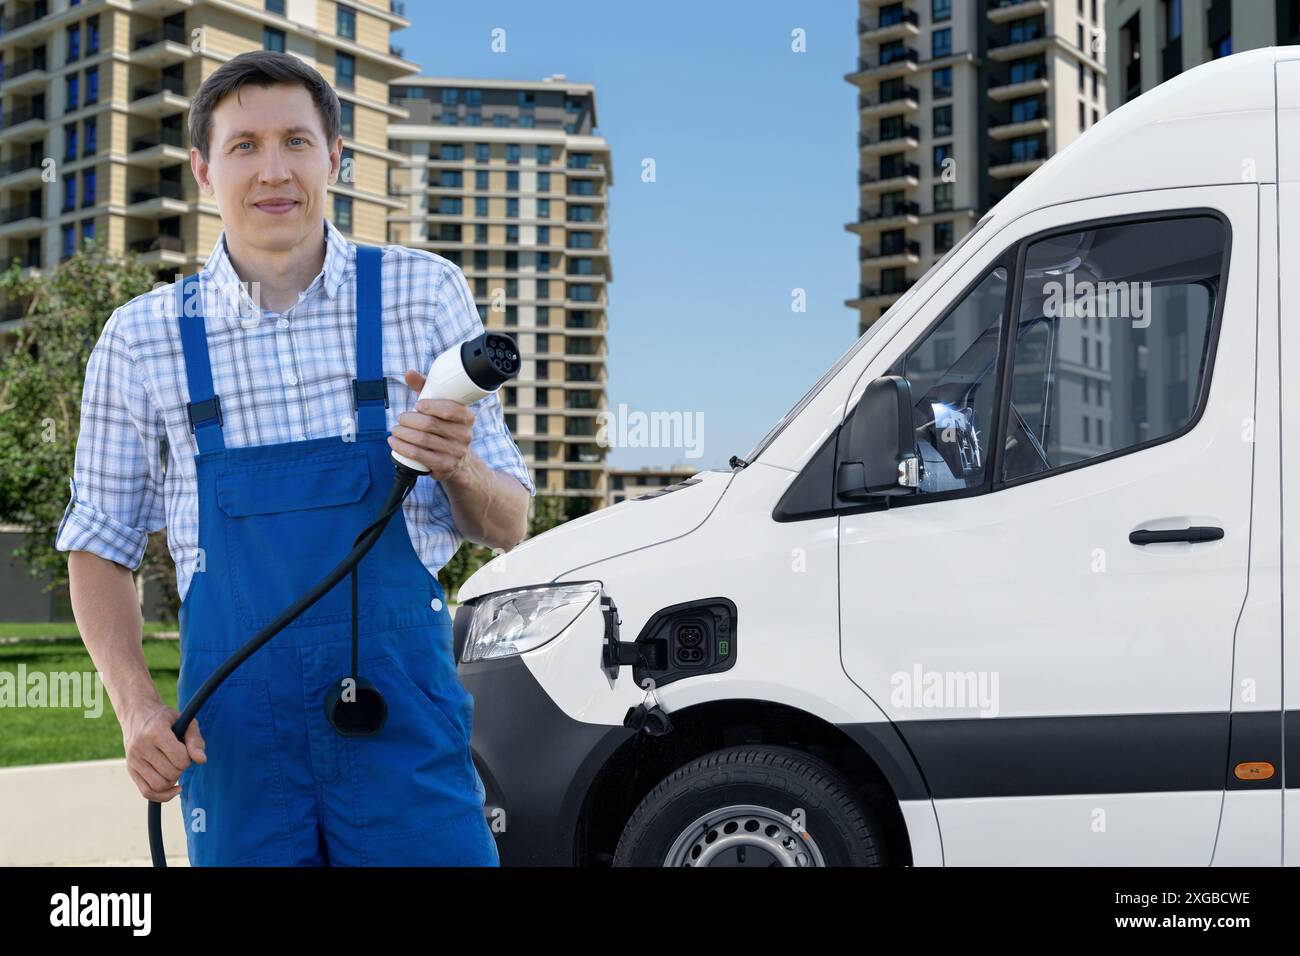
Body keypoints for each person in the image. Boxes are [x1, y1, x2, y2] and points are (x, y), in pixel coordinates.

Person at [55, 50, 534, 866]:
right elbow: (99, 544)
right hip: (234, 738)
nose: (273, 171)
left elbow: (511, 523)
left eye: (296, 142)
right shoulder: (141, 339)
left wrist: (455, 464)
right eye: (244, 146)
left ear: (335, 159)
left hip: (402, 725)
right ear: (205, 169)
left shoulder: (423, 294)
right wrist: (137, 710)